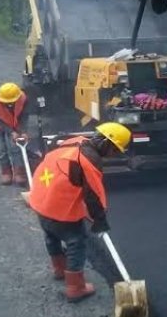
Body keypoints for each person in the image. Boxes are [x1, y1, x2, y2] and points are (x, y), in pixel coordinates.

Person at [28, 122, 131, 302]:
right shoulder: (89, 159)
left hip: (41, 197)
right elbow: (93, 195)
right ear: (107, 143)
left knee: (51, 235)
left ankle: (59, 269)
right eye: (114, 150)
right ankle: (75, 288)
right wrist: (100, 221)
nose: (113, 155)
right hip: (59, 206)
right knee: (76, 241)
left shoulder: (75, 141)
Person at [0, 83, 29, 186]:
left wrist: (22, 131)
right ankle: (6, 172)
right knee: (0, 150)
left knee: (15, 148)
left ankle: (19, 172)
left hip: (14, 123)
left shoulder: (23, 99)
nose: (10, 104)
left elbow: (24, 116)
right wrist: (11, 132)